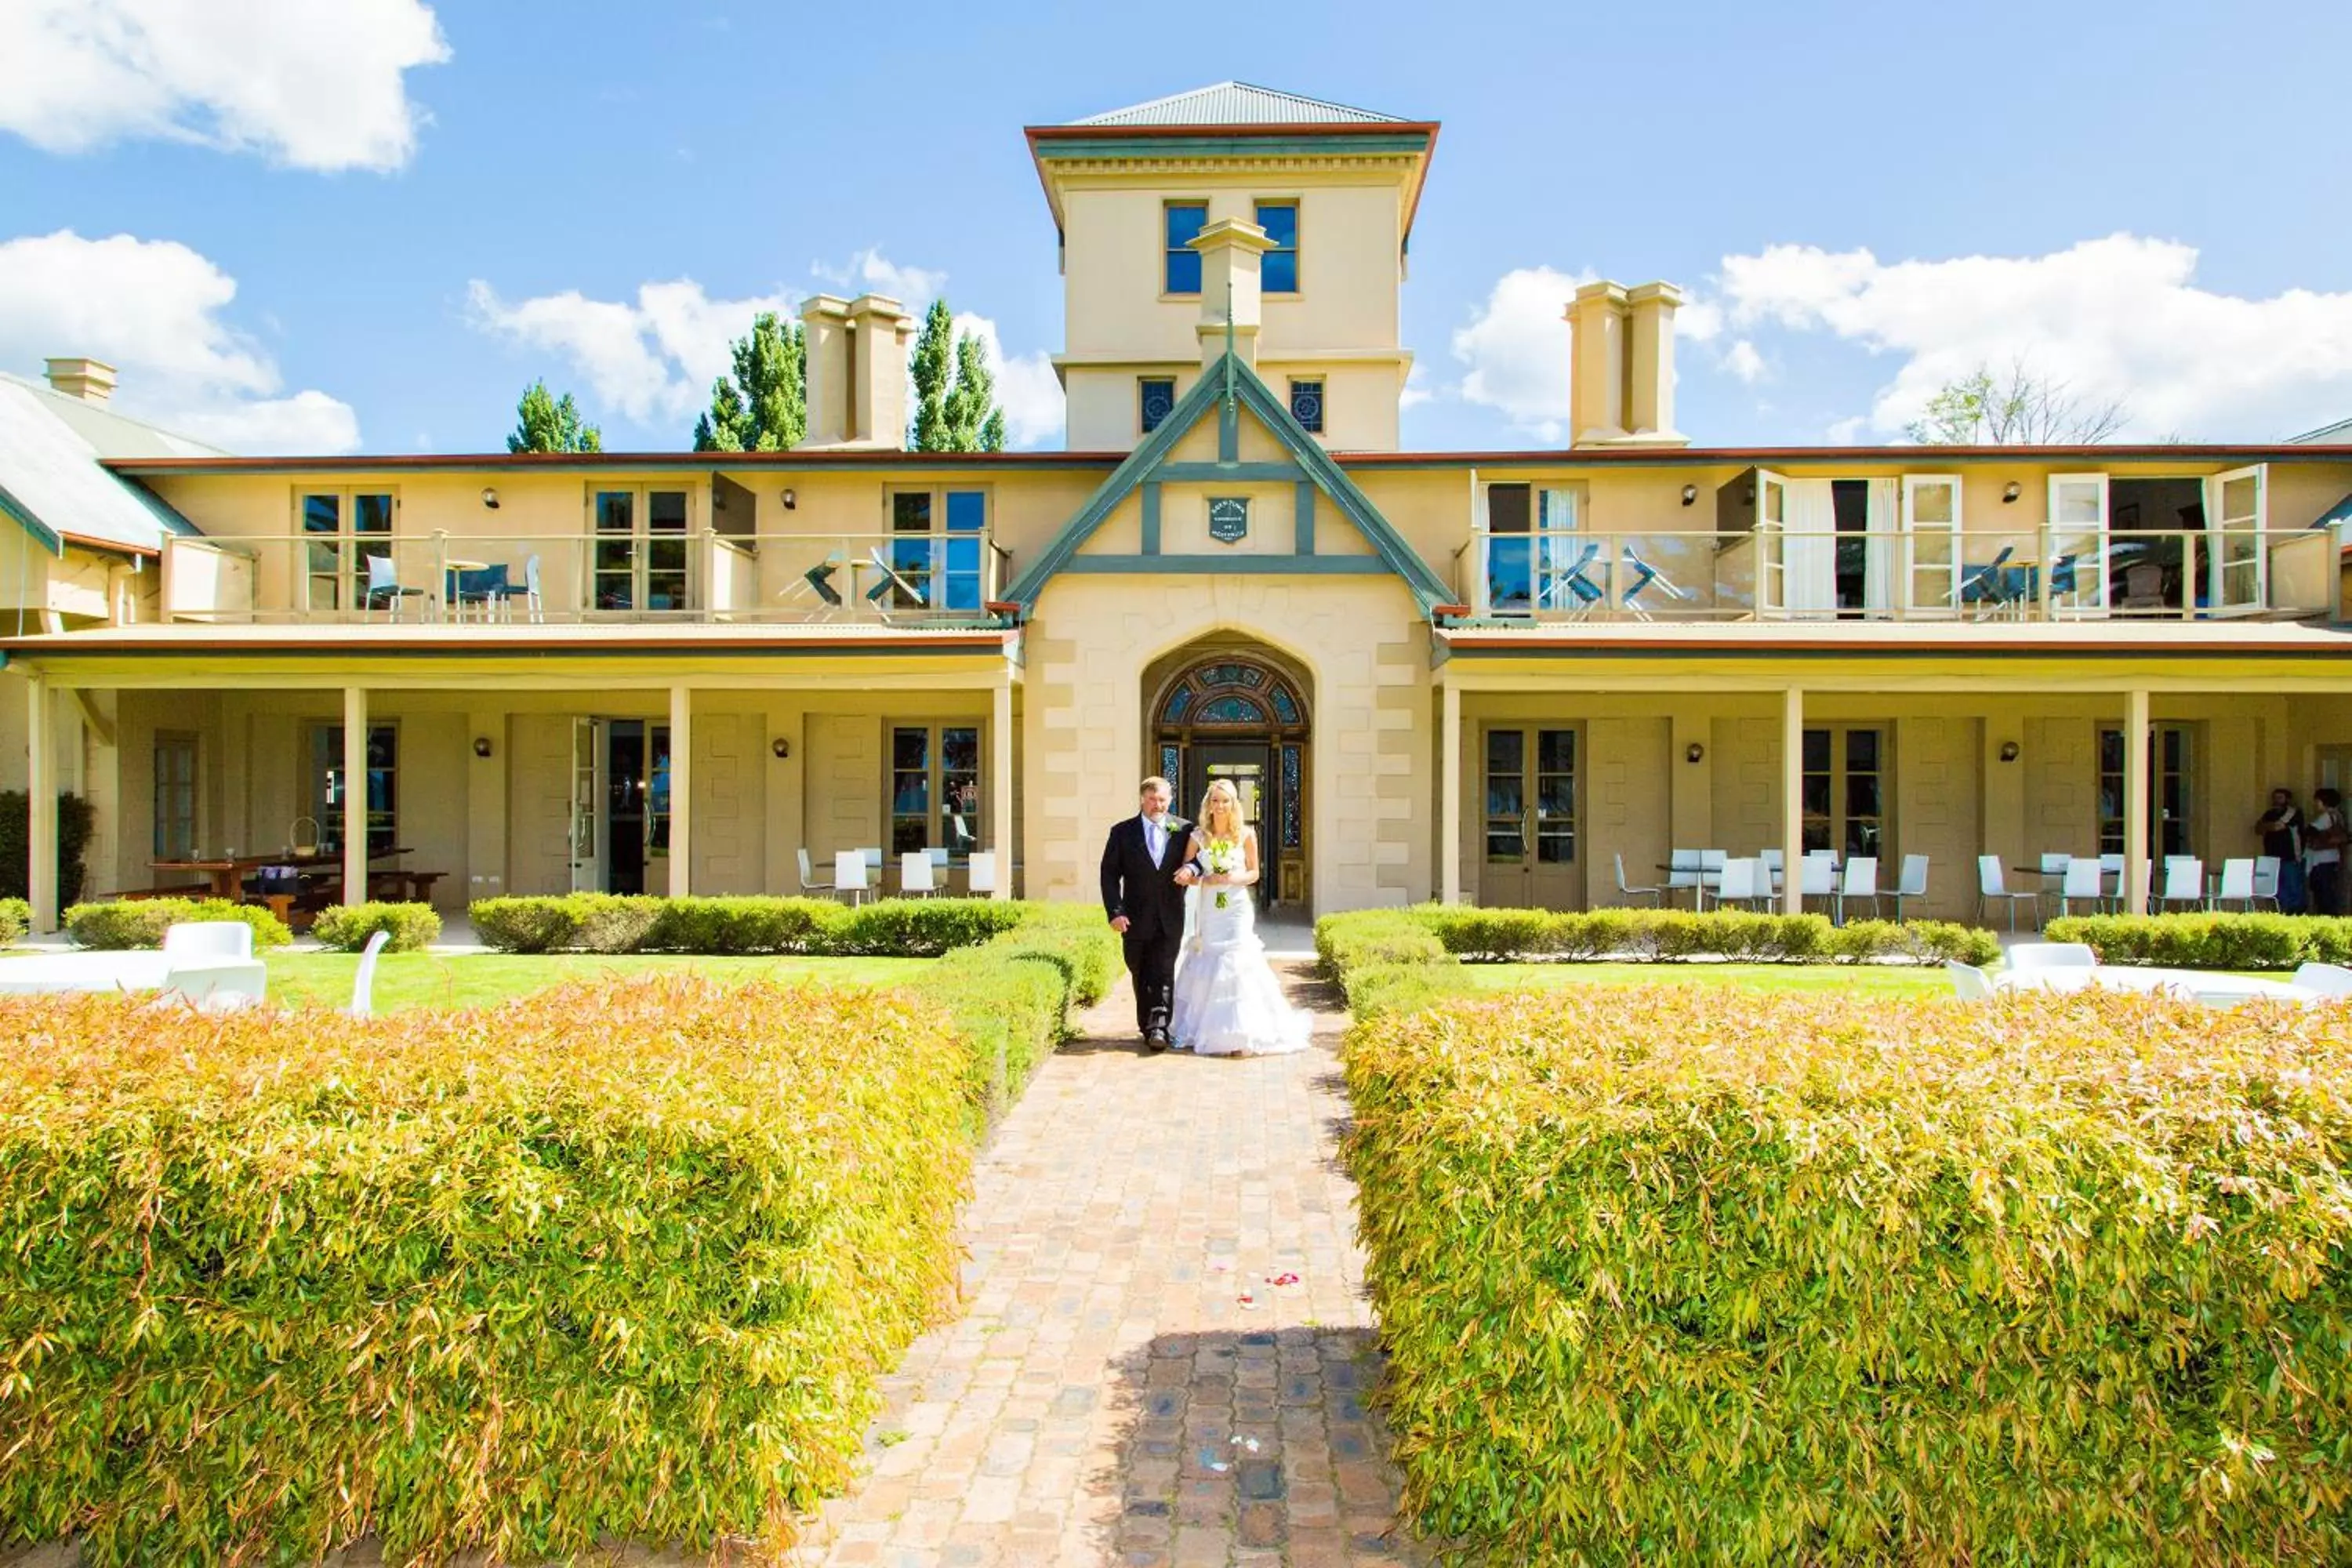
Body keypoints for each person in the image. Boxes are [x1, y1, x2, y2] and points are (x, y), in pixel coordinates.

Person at [1168, 779, 1311, 1058]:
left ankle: (1242, 1034)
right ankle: (1208, 1031)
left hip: (1235, 908)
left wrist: (1233, 878)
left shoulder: (1245, 834)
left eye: (1226, 801)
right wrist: (1205, 878)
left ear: (1234, 804)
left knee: (1236, 959)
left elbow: (1254, 873)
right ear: (1208, 804)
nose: (1220, 806)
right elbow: (1188, 873)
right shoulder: (1198, 836)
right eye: (1215, 800)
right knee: (1209, 956)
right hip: (1210, 907)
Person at [1099, 776, 1197, 1051]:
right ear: (1143, 799)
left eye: (1163, 799)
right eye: (1153, 799)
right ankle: (1147, 1024)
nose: (1158, 804)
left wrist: (1192, 872)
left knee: (1163, 971)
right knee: (1139, 970)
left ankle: (1159, 1028)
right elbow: (1109, 874)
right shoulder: (1122, 832)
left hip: (1170, 916)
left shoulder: (1185, 830)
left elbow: (1200, 861)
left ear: (1170, 800)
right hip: (1134, 917)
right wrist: (1115, 912)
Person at [2255, 787, 2306, 913]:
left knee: (2293, 886)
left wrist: (2267, 826)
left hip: (2290, 855)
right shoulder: (2269, 813)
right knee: (2276, 887)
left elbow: (2277, 826)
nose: (2276, 800)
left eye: (2280, 797)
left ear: (2288, 799)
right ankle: (2281, 911)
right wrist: (2267, 826)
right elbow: (2258, 829)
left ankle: (2296, 913)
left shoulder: (2293, 812)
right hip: (2271, 857)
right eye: (2275, 797)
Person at [2309, 789, 2347, 917]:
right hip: (2332, 857)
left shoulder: (2327, 816)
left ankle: (2326, 917)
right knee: (2328, 890)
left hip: (2322, 859)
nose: (2315, 804)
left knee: (2322, 891)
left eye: (2317, 801)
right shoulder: (2338, 815)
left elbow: (2312, 831)